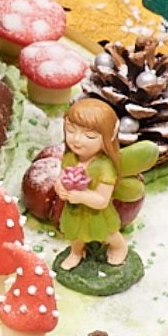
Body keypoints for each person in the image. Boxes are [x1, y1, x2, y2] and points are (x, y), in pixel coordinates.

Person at [53, 96, 155, 271]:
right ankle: (76, 252)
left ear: (108, 138)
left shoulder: (104, 167)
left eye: (89, 135)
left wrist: (81, 196)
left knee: (107, 233)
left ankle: (119, 247)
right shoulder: (70, 157)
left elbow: (101, 199)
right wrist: (60, 188)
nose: (77, 140)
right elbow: (61, 178)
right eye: (70, 130)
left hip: (96, 213)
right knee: (76, 234)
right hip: (75, 210)